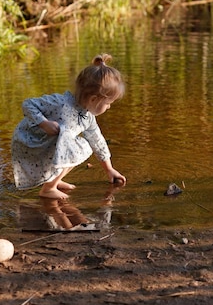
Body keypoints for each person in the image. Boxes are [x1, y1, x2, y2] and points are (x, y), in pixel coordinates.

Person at [11, 53, 127, 199]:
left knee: (79, 145)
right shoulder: (60, 103)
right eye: (108, 103)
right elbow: (28, 104)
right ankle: (48, 189)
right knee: (78, 147)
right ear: (93, 99)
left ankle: (54, 180)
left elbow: (98, 142)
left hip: (46, 144)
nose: (109, 107)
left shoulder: (87, 117)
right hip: (31, 139)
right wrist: (43, 123)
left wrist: (109, 169)